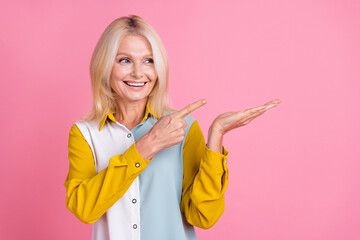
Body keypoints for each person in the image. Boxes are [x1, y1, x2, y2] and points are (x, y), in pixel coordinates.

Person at [64, 15, 281, 240]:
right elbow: (84, 209)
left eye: (149, 61)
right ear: (105, 65)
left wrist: (217, 135)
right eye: (124, 60)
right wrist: (145, 147)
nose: (138, 73)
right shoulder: (85, 134)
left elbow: (203, 216)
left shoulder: (183, 128)